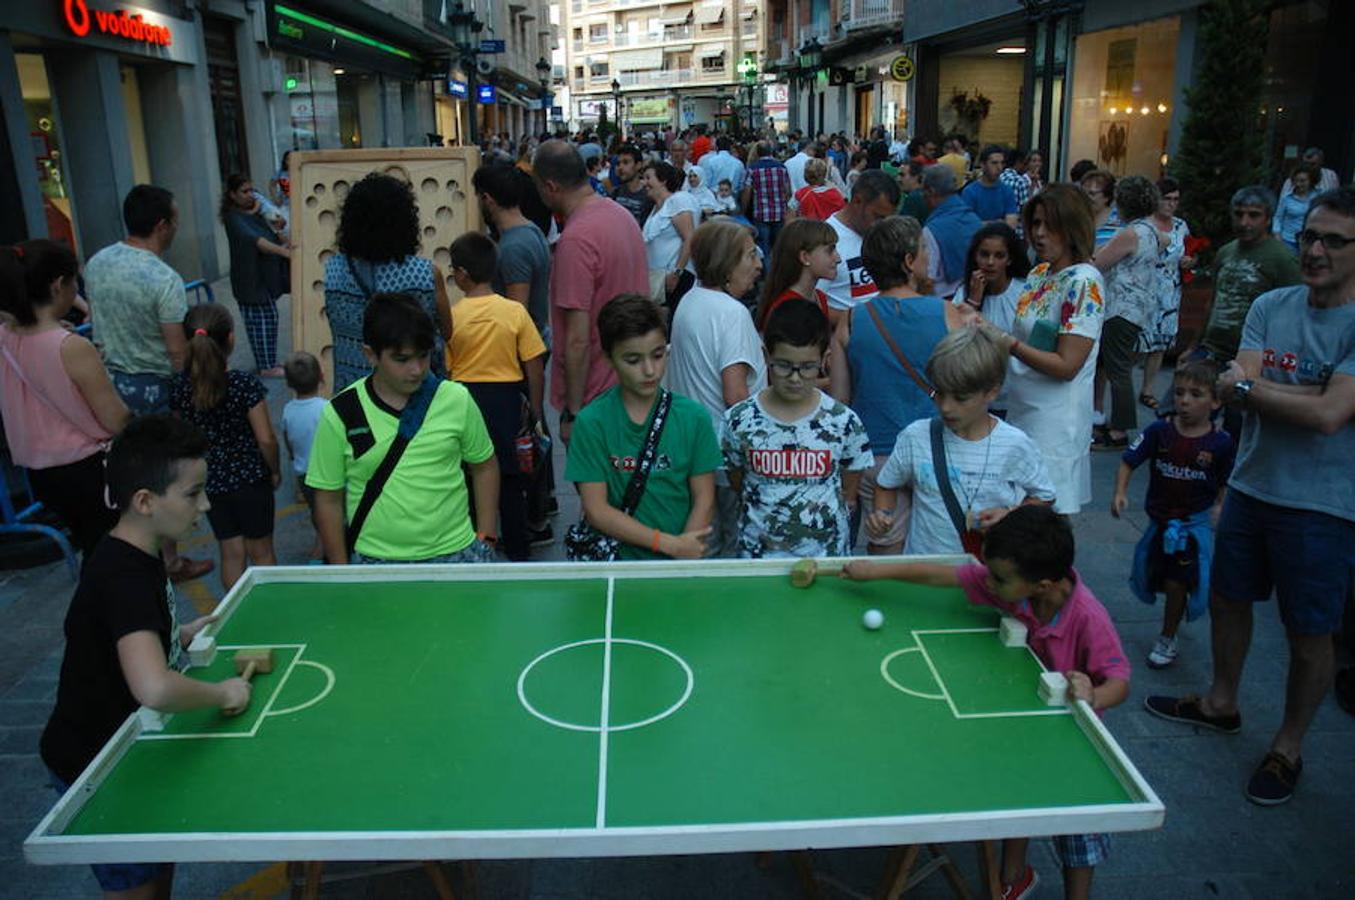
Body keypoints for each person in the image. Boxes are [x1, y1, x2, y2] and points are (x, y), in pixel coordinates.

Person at [1146, 187, 1355, 806]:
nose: (1315, 250)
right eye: (1310, 237)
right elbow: (1242, 380)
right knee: (1231, 598)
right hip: (1249, 486)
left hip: (1324, 505)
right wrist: (1278, 394)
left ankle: (1288, 746)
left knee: (1309, 631)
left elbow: (1328, 417)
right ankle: (1220, 701)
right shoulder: (1271, 304)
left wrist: (1252, 392)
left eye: (1333, 241)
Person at [842, 505, 1130, 900]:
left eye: (998, 578)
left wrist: (1094, 694)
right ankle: (1014, 875)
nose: (989, 584)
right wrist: (874, 570)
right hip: (1023, 718)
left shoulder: (1088, 618)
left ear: (1043, 584)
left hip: (1072, 735)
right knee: (1017, 795)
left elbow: (1120, 681)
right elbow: (938, 575)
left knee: (1077, 834)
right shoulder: (1015, 587)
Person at [38, 414, 251, 900]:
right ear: (144, 501)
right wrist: (222, 692)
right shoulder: (125, 576)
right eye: (194, 493)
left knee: (158, 874)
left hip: (131, 747)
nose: (206, 504)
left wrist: (178, 632)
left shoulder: (138, 549)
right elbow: (153, 686)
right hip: (96, 768)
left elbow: (129, 640)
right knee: (137, 889)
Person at [306, 293, 500, 564]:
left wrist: (487, 537)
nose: (417, 369)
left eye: (423, 356)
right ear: (370, 355)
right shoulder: (341, 413)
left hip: (457, 554)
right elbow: (327, 499)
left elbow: (484, 465)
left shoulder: (456, 398)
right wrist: (342, 572)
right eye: (401, 359)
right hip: (376, 560)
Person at [83, 184, 212, 583]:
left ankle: (134, 546)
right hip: (152, 386)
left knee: (126, 470)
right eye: (175, 220)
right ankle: (168, 560)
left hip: (106, 383)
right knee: (161, 474)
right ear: (161, 225)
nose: (176, 227)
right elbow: (176, 351)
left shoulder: (98, 261)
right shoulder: (163, 278)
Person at [831, 215, 972, 554]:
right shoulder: (950, 315)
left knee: (885, 560)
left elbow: (839, 403)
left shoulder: (850, 320)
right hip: (937, 451)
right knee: (941, 552)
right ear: (909, 262)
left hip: (874, 455)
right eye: (924, 250)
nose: (929, 257)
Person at [868, 326, 1055, 556]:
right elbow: (887, 484)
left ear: (992, 392)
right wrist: (883, 514)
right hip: (925, 571)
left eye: (960, 398)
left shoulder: (1015, 444)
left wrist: (1010, 514)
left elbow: (1045, 496)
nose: (946, 407)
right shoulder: (915, 437)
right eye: (939, 394)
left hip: (987, 572)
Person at [564, 293, 720, 560]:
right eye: (633, 360)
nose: (650, 370)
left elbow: (704, 498)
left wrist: (683, 551)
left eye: (658, 355)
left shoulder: (694, 418)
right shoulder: (592, 423)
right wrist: (668, 544)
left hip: (677, 563)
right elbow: (596, 509)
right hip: (617, 564)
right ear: (608, 358)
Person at [982, 184, 1105, 514]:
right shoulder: (1038, 273)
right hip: (1023, 408)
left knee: (1044, 521)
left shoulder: (1084, 282)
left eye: (1049, 225)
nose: (1039, 233)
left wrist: (1007, 342)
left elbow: (1067, 365)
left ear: (1072, 227)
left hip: (1056, 421)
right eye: (1034, 223)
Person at [0, 240, 127, 554]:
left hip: (40, 472)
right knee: (112, 553)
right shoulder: (71, 347)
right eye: (75, 282)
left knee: (92, 546)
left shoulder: (5, 336)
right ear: (58, 285)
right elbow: (114, 418)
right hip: (86, 468)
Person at [723, 294, 872, 558]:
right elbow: (738, 479)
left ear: (824, 359)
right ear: (766, 355)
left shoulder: (843, 422)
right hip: (758, 559)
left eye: (806, 367)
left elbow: (849, 485)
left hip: (826, 559)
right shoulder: (739, 420)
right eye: (783, 366)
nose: (795, 378)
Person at [1113, 359, 1234, 669]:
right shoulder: (1158, 432)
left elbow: (1225, 481)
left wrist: (1220, 508)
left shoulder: (1220, 444)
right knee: (1155, 577)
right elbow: (1129, 460)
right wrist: (1120, 493)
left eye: (1196, 394)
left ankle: (1168, 635)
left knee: (1178, 581)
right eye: (1179, 393)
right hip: (1160, 522)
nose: (1184, 401)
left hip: (1192, 527)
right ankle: (1172, 614)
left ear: (1216, 401)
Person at [533, 140, 649, 444]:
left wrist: (573, 412)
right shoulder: (620, 215)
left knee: (599, 491)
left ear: (550, 186)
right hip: (631, 386)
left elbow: (577, 339)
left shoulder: (576, 240)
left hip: (596, 399)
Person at [666, 219, 767, 557]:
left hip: (694, 450)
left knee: (704, 547)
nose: (758, 264)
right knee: (732, 549)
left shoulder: (690, 301)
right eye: (750, 256)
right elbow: (736, 396)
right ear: (727, 264)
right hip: (728, 460)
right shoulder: (732, 313)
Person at [445, 233, 547, 561]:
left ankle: (473, 547)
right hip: (506, 400)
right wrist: (535, 409)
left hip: (464, 399)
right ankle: (518, 551)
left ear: (462, 274)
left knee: (471, 472)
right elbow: (534, 366)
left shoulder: (453, 316)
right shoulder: (514, 312)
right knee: (511, 477)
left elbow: (448, 371)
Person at [169, 303, 280, 590]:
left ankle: (234, 614)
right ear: (230, 339)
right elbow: (265, 438)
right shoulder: (243, 385)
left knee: (231, 552)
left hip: (212, 480)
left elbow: (182, 434)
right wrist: (275, 469)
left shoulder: (181, 386)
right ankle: (271, 614)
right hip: (250, 477)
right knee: (262, 552)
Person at [323, 173, 452, 392]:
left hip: (356, 393)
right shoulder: (425, 274)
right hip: (413, 390)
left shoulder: (333, 271)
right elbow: (447, 331)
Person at [1196, 186, 1302, 437]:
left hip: (1251, 361)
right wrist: (1195, 345)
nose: (1244, 222)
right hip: (1213, 352)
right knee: (1189, 421)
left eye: (1253, 215)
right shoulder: (1226, 252)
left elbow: (1294, 313)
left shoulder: (1282, 259)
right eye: (1239, 214)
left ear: (1268, 218)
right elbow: (1213, 299)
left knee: (1237, 430)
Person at [1091, 176, 1163, 450]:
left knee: (1117, 369)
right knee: (1116, 366)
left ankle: (1119, 430)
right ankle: (1110, 422)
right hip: (1138, 308)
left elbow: (1098, 262)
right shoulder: (1151, 231)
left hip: (1120, 309)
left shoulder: (1130, 233)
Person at [951, 223, 1031, 416]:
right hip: (979, 396)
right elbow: (956, 344)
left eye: (999, 256)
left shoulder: (1024, 292)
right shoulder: (963, 294)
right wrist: (973, 301)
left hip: (1018, 394)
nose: (990, 262)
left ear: (1010, 259)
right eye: (984, 255)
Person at [219, 173, 291, 377]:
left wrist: (275, 224)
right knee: (260, 321)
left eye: (252, 190)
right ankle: (266, 366)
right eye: (244, 191)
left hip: (264, 279)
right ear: (232, 195)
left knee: (269, 318)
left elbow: (274, 232)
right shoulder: (233, 218)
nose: (250, 195)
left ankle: (268, 361)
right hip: (249, 281)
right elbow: (256, 241)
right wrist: (285, 253)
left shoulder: (255, 214)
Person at [473, 164, 552, 335]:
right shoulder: (531, 230)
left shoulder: (514, 247)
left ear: (487, 199)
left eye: (478, 198)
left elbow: (516, 318)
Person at [1138, 177, 1193, 408]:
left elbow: (1188, 251)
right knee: (1138, 339)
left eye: (1175, 200)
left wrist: (1189, 261)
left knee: (1161, 342)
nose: (1171, 204)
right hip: (1145, 286)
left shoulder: (1181, 226)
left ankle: (1147, 389)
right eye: (1167, 199)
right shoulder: (1144, 224)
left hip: (1170, 289)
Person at [817, 170, 901, 321]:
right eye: (877, 216)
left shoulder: (882, 234)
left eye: (887, 218)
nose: (881, 225)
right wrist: (860, 318)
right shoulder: (826, 240)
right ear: (857, 201)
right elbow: (813, 304)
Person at [281, 351, 327, 562]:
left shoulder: (288, 410)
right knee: (333, 511)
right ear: (321, 376)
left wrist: (293, 457)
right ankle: (321, 551)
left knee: (316, 510)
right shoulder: (326, 409)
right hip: (325, 472)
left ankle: (321, 544)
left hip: (303, 471)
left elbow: (288, 439)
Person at [755, 219, 838, 330]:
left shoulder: (819, 297)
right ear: (805, 257)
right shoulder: (786, 310)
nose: (838, 258)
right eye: (829, 251)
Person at [920, 165, 984, 299]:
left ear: (931, 192)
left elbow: (928, 281)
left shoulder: (931, 231)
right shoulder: (975, 220)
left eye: (923, 192)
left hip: (943, 305)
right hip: (976, 298)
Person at [641, 161, 699, 307]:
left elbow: (689, 238)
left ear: (663, 180)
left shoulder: (677, 201)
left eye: (648, 178)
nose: (644, 183)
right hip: (658, 278)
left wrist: (676, 273)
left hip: (674, 278)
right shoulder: (654, 209)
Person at [743, 140, 793, 259]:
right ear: (771, 152)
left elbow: (747, 192)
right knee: (778, 247)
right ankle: (779, 272)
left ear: (758, 153)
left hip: (760, 212)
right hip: (779, 212)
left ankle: (767, 273)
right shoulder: (781, 168)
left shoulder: (752, 169)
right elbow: (787, 191)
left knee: (764, 248)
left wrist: (744, 210)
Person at [960, 144, 1019, 228]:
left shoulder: (1007, 191)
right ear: (983, 165)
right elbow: (967, 224)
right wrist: (997, 223)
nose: (999, 167)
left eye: (1002, 163)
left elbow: (1012, 224)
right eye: (994, 163)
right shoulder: (970, 192)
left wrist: (984, 223)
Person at [1273, 164, 1317, 255]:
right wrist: (1277, 235)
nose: (1298, 184)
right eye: (1296, 181)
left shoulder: (1318, 196)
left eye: (1302, 181)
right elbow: (1277, 217)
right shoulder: (1287, 198)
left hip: (1309, 240)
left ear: (1311, 181)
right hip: (1288, 239)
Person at [610, 143, 654, 227]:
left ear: (638, 165)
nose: (620, 167)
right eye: (618, 163)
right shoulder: (615, 193)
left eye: (626, 162)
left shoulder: (648, 195)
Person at [1080, 169, 1120, 251]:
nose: (1085, 197)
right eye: (1083, 193)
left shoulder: (1119, 220)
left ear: (1107, 196)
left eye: (1092, 193)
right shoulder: (1078, 218)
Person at [999, 148, 1032, 234]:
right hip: (1017, 231)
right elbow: (1026, 209)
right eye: (1025, 164)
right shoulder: (1020, 181)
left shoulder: (999, 178)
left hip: (999, 228)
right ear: (1018, 163)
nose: (1027, 168)